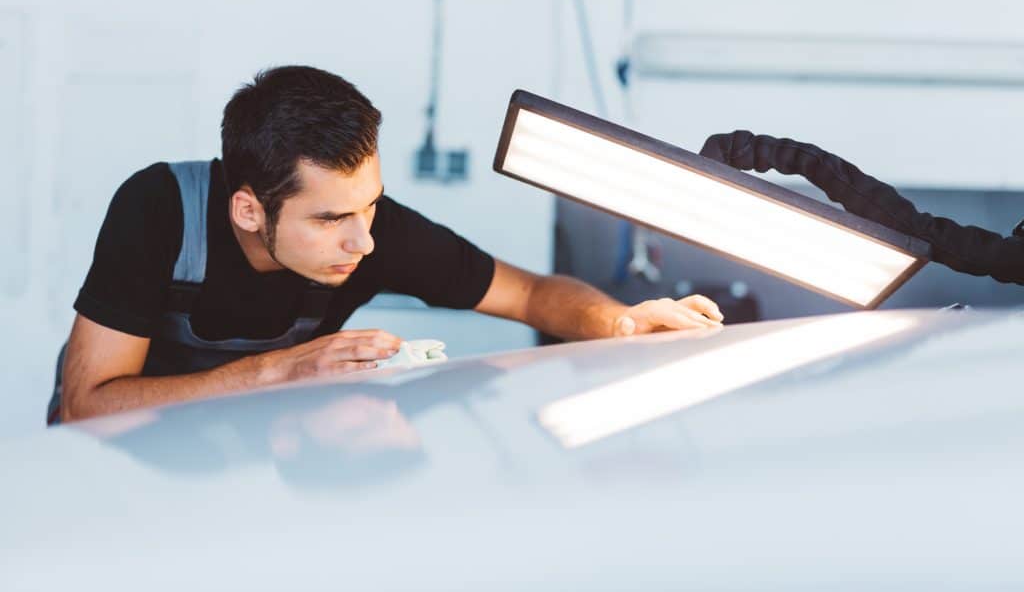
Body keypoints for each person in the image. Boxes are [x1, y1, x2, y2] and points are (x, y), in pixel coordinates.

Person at [50, 65, 723, 424]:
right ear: (249, 210)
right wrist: (276, 370)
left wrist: (622, 321)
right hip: (113, 471)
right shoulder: (159, 210)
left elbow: (536, 293)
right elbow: (87, 405)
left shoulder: (375, 229)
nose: (364, 240)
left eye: (370, 204)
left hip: (240, 461)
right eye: (330, 219)